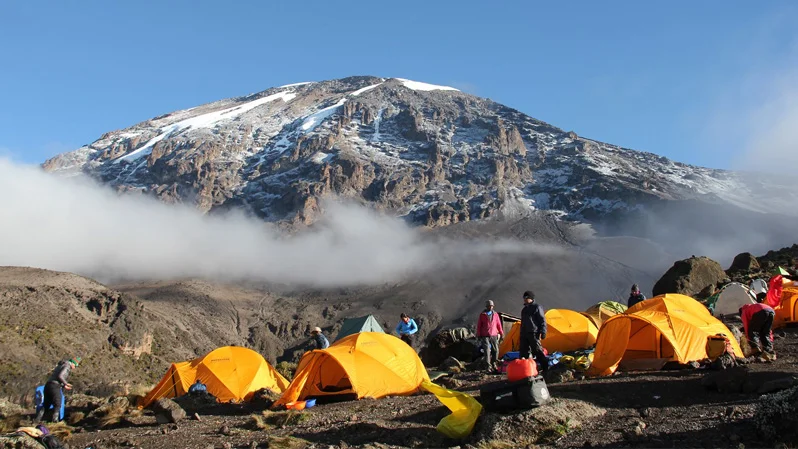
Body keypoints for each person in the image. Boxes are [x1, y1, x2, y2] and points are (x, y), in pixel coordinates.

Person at [36, 357, 80, 423]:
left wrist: (63, 385)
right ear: (73, 364)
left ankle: (36, 420)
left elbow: (56, 377)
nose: (75, 368)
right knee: (58, 404)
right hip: (54, 386)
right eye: (75, 366)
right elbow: (60, 376)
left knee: (46, 405)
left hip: (48, 385)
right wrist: (66, 383)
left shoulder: (61, 365)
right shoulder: (67, 366)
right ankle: (55, 421)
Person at [740, 293, 776, 360]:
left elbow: (747, 326)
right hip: (771, 311)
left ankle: (755, 348)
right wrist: (771, 339)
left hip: (761, 311)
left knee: (752, 331)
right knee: (765, 332)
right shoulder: (752, 307)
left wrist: (749, 339)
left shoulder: (744, 311)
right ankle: (768, 349)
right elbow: (768, 330)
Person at [519, 291, 548, 373]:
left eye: (526, 298)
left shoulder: (537, 307)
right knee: (523, 352)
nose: (525, 300)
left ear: (531, 298)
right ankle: (525, 370)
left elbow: (542, 320)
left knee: (537, 351)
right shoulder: (524, 310)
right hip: (524, 333)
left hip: (534, 332)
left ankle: (545, 368)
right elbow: (523, 323)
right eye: (524, 298)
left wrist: (543, 331)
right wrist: (521, 333)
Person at [476, 300, 504, 371]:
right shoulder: (482, 315)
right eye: (489, 306)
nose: (491, 307)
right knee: (487, 350)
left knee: (496, 350)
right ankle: (488, 366)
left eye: (492, 306)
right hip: (485, 335)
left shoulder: (496, 314)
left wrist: (501, 333)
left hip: (494, 334)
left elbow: (499, 324)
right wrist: (479, 334)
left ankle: (494, 363)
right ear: (486, 306)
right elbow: (479, 325)